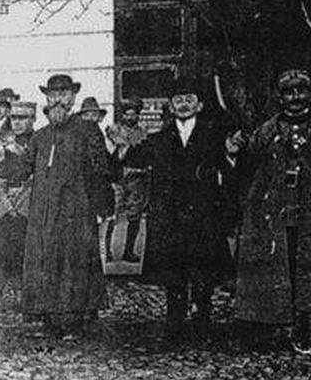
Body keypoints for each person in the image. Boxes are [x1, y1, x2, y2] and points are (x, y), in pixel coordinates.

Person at [120, 82, 235, 337]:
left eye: (189, 99)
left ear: (199, 105)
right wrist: (121, 144)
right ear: (170, 107)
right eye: (178, 100)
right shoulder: (158, 139)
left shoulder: (214, 136)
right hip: (170, 218)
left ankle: (203, 320)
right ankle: (175, 322)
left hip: (203, 215)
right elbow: (130, 159)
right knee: (173, 272)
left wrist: (231, 154)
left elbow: (228, 167)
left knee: (203, 272)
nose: (183, 104)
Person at [17, 74, 111, 335]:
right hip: (44, 213)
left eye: (63, 94)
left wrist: (100, 206)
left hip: (75, 211)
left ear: (72, 98)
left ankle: (74, 320)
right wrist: (3, 155)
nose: (57, 100)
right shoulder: (39, 137)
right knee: (46, 260)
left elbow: (102, 170)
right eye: (52, 95)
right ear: (46, 99)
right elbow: (22, 170)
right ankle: (49, 318)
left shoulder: (87, 131)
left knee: (73, 261)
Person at [229, 69, 311, 351]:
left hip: (307, 211)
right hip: (274, 212)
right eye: (289, 92)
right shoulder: (267, 130)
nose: (295, 97)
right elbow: (247, 164)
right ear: (279, 97)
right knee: (274, 265)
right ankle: (268, 323)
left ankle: (305, 324)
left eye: (301, 91)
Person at [0, 101, 37, 310]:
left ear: (33, 119)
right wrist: (7, 208)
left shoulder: (41, 144)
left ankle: (31, 296)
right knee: (7, 253)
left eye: (23, 118)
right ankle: (4, 295)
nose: (17, 123)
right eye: (14, 118)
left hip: (35, 208)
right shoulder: (5, 148)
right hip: (10, 209)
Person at [105, 99, 149, 263]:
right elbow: (111, 154)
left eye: (133, 114)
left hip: (137, 178)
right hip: (117, 178)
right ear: (122, 115)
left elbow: (146, 154)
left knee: (134, 216)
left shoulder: (143, 132)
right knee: (112, 214)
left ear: (138, 115)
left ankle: (128, 251)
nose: (130, 117)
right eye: (127, 114)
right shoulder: (114, 130)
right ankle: (107, 252)